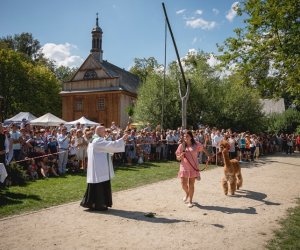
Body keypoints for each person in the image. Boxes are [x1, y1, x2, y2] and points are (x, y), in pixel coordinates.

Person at [80, 126, 128, 211]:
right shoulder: (97, 140)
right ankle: (100, 204)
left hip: (97, 167)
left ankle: (93, 203)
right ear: (99, 132)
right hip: (100, 168)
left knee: (95, 185)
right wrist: (122, 139)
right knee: (100, 186)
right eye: (104, 131)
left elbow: (104, 149)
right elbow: (110, 145)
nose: (105, 133)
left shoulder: (93, 140)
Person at [175, 130, 212, 208]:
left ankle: (190, 201)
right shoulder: (182, 146)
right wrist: (180, 156)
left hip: (193, 167)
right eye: (184, 136)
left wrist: (208, 155)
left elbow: (203, 148)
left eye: (187, 136)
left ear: (191, 137)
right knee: (183, 184)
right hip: (184, 166)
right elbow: (177, 158)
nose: (185, 138)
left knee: (191, 184)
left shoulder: (196, 144)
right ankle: (187, 193)